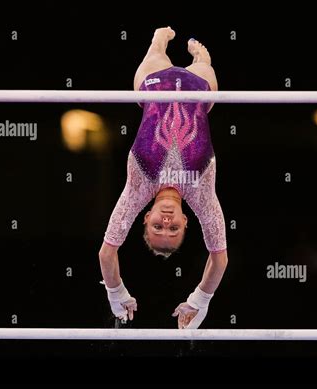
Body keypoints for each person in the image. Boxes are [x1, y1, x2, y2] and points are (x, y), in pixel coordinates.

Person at [98, 27, 228, 329]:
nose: (166, 221)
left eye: (158, 226)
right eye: (173, 228)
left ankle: (160, 39)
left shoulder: (138, 187)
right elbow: (219, 259)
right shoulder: (201, 194)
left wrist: (115, 292)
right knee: (204, 63)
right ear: (186, 221)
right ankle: (198, 57)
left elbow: (107, 253)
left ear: (146, 217)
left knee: (156, 50)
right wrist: (200, 300)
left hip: (153, 85)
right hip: (200, 90)